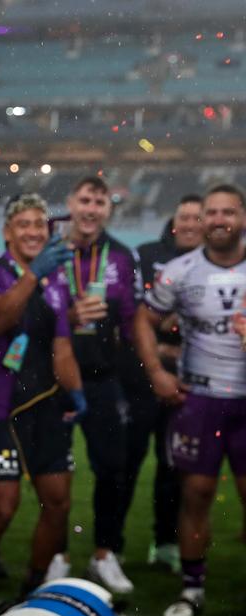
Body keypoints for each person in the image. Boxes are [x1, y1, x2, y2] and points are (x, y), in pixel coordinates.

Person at [0, 193, 85, 616]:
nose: (34, 231)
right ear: (8, 232)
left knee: (59, 503)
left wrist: (77, 391)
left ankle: (31, 589)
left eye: (40, 224)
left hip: (47, 405)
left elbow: (63, 346)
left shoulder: (58, 281)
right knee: (3, 506)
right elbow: (0, 322)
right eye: (25, 224)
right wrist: (33, 274)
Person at [134, 183, 246, 616]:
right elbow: (144, 318)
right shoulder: (179, 271)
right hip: (200, 401)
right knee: (196, 495)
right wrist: (158, 373)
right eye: (211, 213)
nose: (219, 220)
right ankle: (192, 588)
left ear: (242, 218)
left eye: (228, 212)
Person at [53, 176, 138, 593]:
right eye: (84, 199)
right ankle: (56, 555)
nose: (90, 208)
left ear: (108, 208)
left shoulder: (121, 257)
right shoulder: (49, 249)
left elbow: (130, 321)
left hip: (104, 379)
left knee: (113, 470)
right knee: (55, 473)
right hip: (55, 381)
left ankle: (105, 554)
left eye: (98, 202)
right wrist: (67, 316)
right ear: (71, 202)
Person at [124, 194, 202, 571]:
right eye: (183, 217)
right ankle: (112, 546)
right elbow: (138, 316)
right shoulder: (147, 254)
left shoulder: (214, 265)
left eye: (196, 219)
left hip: (190, 384)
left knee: (175, 467)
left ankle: (166, 542)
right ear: (174, 222)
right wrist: (163, 342)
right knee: (126, 462)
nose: (189, 224)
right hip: (142, 379)